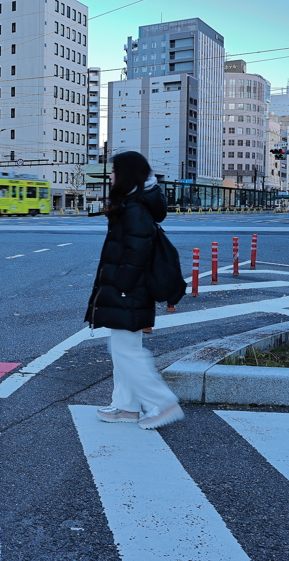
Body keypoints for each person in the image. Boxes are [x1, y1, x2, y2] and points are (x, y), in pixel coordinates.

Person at [85, 151, 185, 429]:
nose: (111, 176)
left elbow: (137, 252)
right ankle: (127, 407)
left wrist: (121, 285)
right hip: (130, 291)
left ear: (127, 174)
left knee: (126, 352)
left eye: (115, 171)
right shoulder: (133, 204)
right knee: (124, 350)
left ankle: (162, 405)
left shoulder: (135, 209)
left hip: (130, 292)